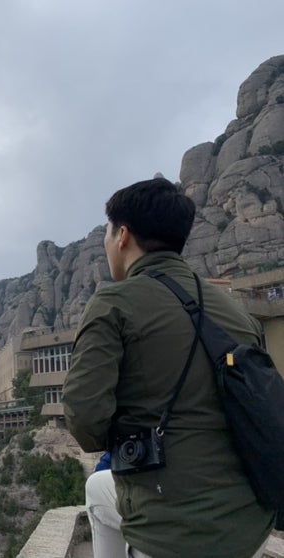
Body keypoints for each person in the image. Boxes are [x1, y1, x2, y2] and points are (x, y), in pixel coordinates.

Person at [62, 177, 275, 558]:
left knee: (97, 488)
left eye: (108, 233)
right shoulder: (238, 313)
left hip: (170, 532)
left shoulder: (113, 303)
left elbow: (85, 421)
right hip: (251, 526)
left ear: (122, 236)